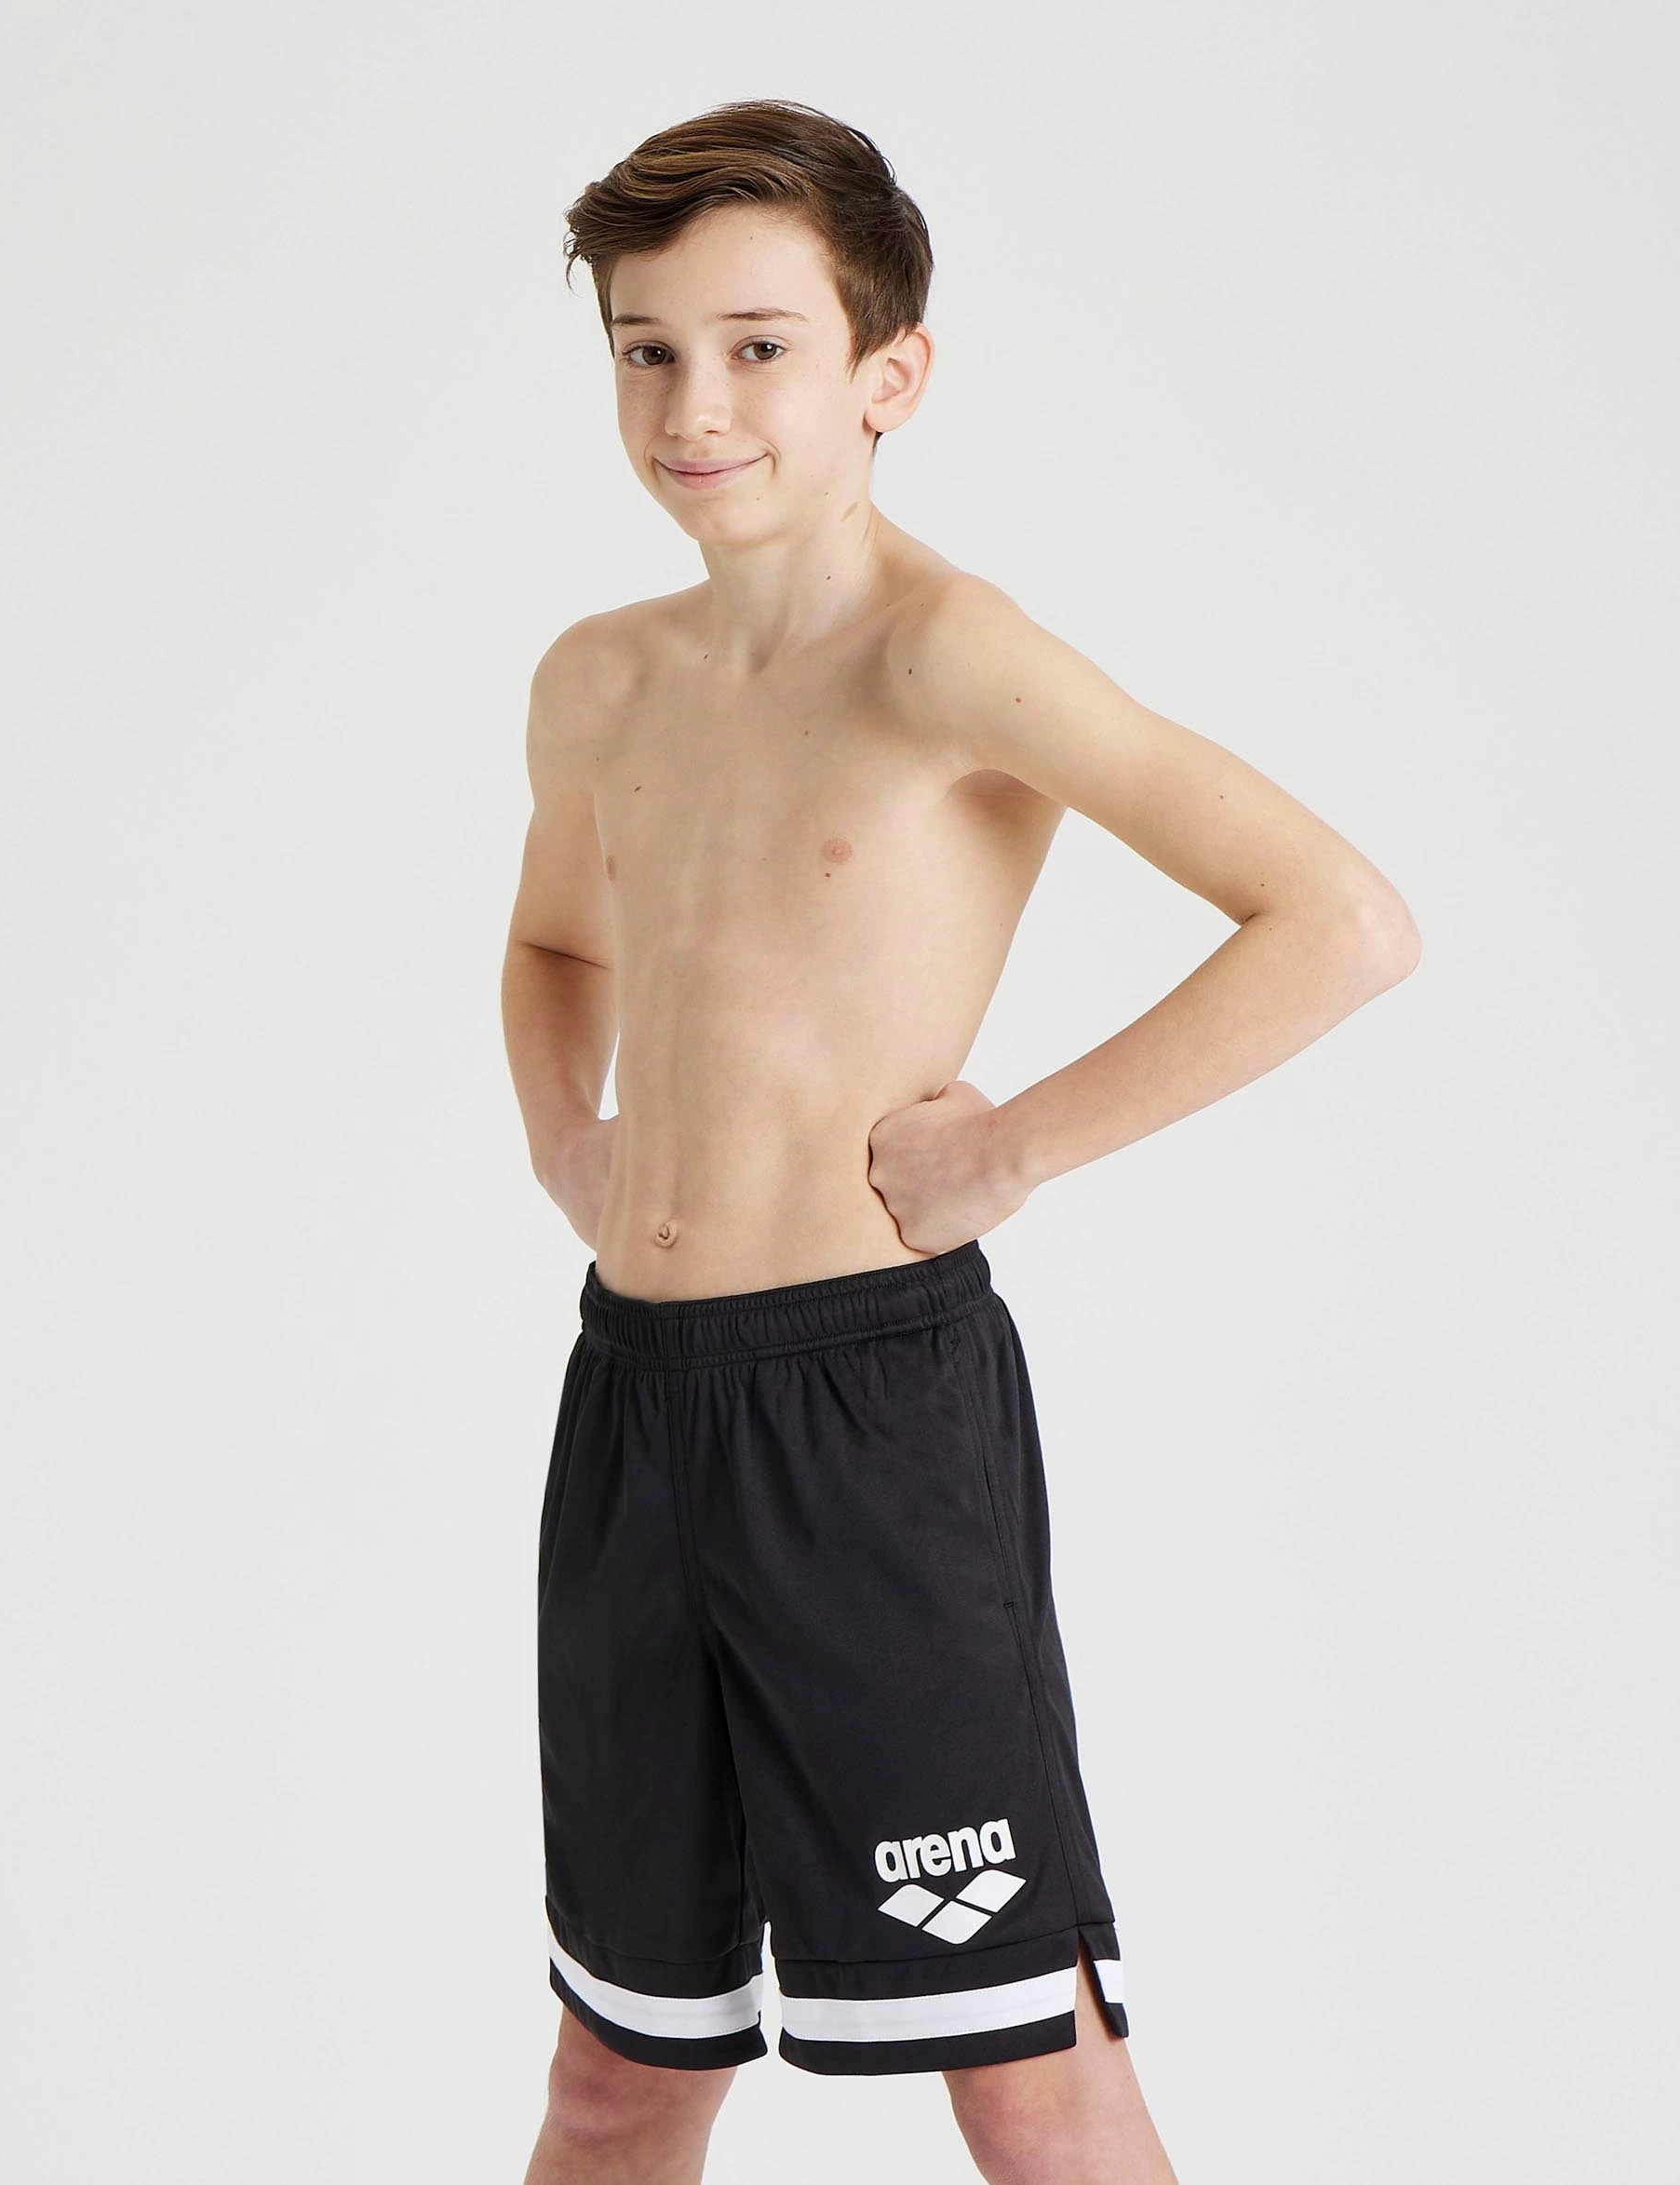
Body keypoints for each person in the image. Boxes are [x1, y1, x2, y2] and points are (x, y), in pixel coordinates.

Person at [502, 97, 1419, 2185]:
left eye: (758, 346)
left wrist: (1017, 1153)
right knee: (618, 2075)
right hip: (636, 1413)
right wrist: (569, 1141)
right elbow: (555, 942)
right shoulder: (599, 681)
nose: (694, 403)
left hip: (867, 1416)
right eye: (648, 349)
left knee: (1022, 2063)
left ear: (887, 373)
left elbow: (1340, 920)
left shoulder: (945, 653)